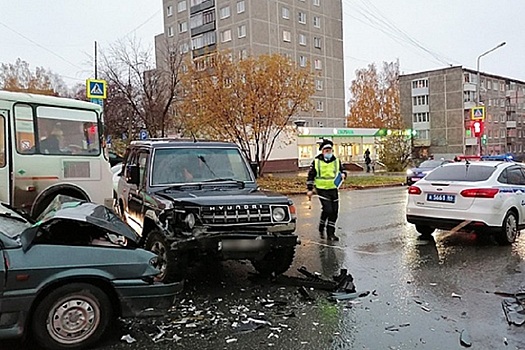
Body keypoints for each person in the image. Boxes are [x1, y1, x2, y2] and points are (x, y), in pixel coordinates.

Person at [306, 139, 346, 241]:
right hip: (322, 189)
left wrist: (343, 175)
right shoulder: (316, 162)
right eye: (326, 150)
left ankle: (330, 233)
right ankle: (323, 227)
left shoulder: (336, 161)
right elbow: (311, 176)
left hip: (333, 189)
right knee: (328, 209)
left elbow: (342, 171)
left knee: (334, 211)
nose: (328, 152)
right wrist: (310, 189)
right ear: (322, 151)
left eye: (330, 150)